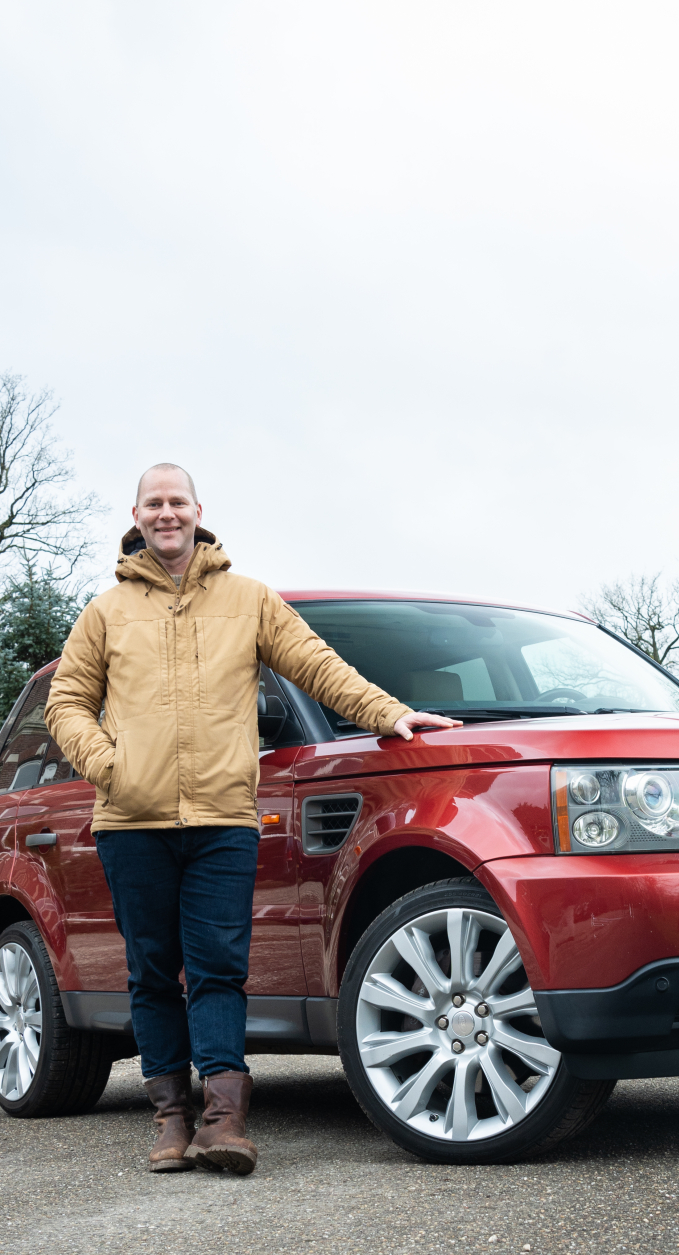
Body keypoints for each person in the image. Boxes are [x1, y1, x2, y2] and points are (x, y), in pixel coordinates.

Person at [46, 464, 459, 1177]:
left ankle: (224, 1118)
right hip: (131, 824)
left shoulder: (248, 600)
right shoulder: (106, 611)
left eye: (177, 502)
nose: (166, 513)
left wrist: (390, 714)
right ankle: (170, 1118)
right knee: (151, 972)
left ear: (198, 511)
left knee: (217, 970)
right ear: (136, 516)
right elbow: (66, 704)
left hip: (223, 821)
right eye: (155, 504)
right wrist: (111, 766)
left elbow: (316, 664)